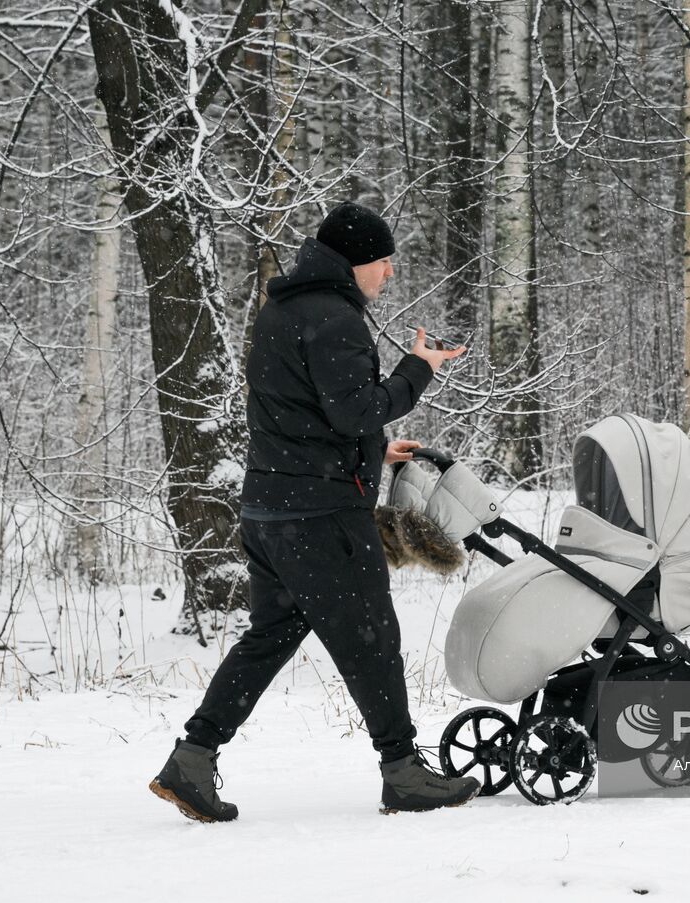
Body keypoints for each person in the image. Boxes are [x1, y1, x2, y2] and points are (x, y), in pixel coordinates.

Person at [149, 202, 477, 822]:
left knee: (269, 637)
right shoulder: (334, 319)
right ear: (356, 262)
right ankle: (404, 773)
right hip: (322, 519)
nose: (388, 275)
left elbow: (301, 416)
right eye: (383, 263)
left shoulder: (282, 309)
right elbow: (355, 410)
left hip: (271, 511)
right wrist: (419, 369)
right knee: (372, 639)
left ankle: (190, 761)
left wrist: (375, 452)